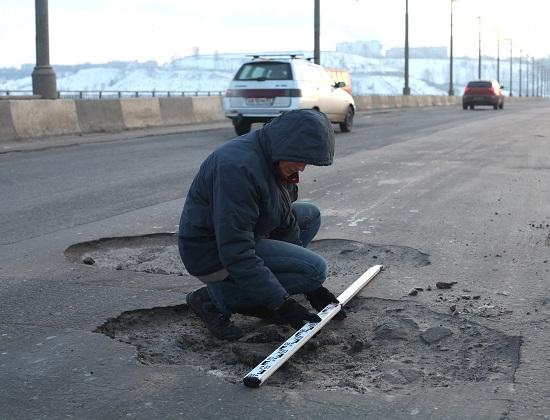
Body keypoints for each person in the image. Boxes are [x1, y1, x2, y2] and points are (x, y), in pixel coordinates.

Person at [178, 109, 345, 341]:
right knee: (314, 270)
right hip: (210, 252)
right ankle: (214, 299)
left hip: (244, 233)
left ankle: (262, 291)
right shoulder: (237, 169)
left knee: (309, 216)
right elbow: (235, 250)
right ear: (286, 145)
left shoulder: (274, 157)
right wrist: (282, 303)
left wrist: (312, 291)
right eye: (301, 159)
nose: (303, 168)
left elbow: (285, 218)